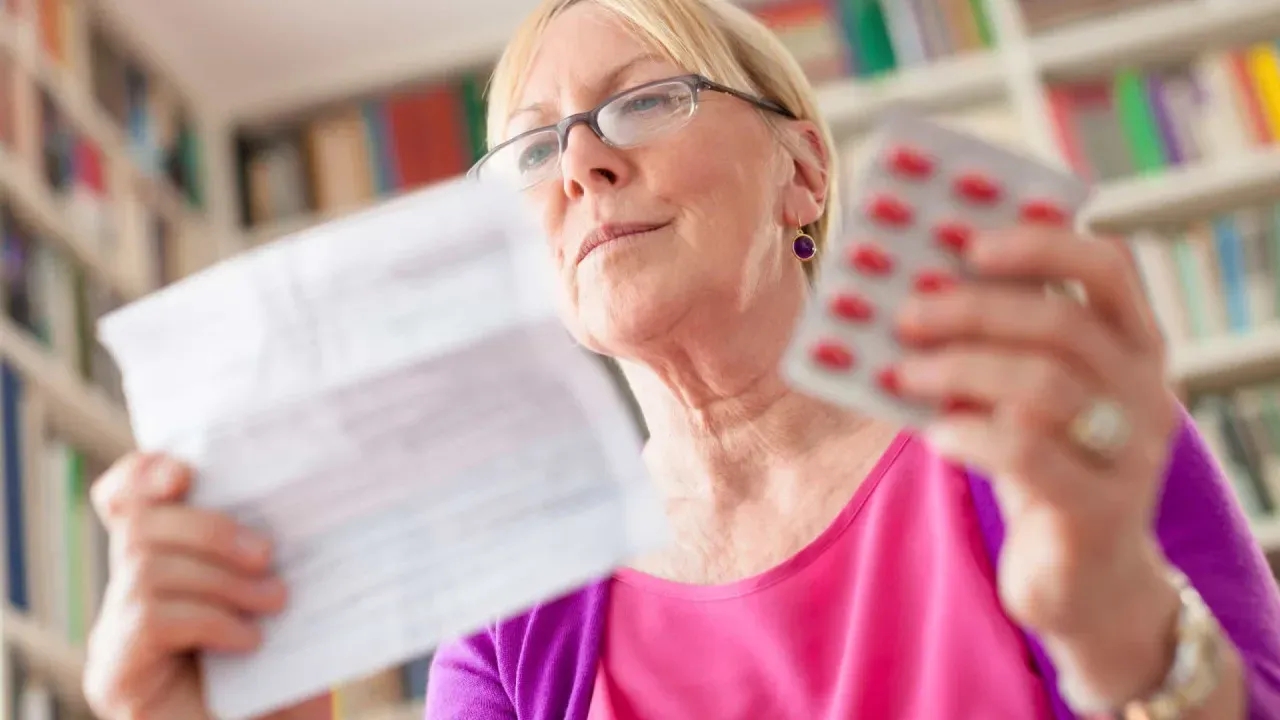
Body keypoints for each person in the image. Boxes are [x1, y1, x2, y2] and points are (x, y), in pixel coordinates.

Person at [81, 0, 1280, 718]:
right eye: (533, 150)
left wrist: (1118, 627)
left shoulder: (1040, 441)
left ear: (802, 173)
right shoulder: (511, 613)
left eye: (642, 101)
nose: (581, 166)